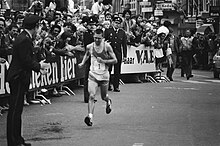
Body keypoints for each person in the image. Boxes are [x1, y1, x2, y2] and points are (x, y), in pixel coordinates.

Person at [6, 14, 50, 146]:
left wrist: (37, 66)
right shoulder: (24, 39)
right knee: (15, 110)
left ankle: (17, 139)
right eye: (38, 26)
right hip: (18, 77)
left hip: (19, 77)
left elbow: (27, 59)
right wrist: (39, 66)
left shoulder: (24, 38)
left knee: (17, 110)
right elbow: (25, 61)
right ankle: (14, 141)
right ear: (35, 27)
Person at [78, 28, 117, 126]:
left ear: (102, 38)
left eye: (99, 38)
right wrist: (82, 63)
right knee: (91, 95)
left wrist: (104, 61)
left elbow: (115, 60)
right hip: (93, 74)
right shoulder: (90, 46)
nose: (96, 40)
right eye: (95, 38)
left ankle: (108, 101)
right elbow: (87, 55)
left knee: (103, 96)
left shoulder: (107, 47)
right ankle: (90, 117)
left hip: (104, 75)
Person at [104, 16, 127, 92]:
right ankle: (108, 85)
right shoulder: (108, 31)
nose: (117, 25)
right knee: (108, 70)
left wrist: (125, 55)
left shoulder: (122, 32)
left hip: (118, 53)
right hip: (109, 54)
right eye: (116, 23)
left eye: (119, 23)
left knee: (117, 71)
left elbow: (124, 45)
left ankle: (116, 86)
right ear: (112, 23)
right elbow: (104, 42)